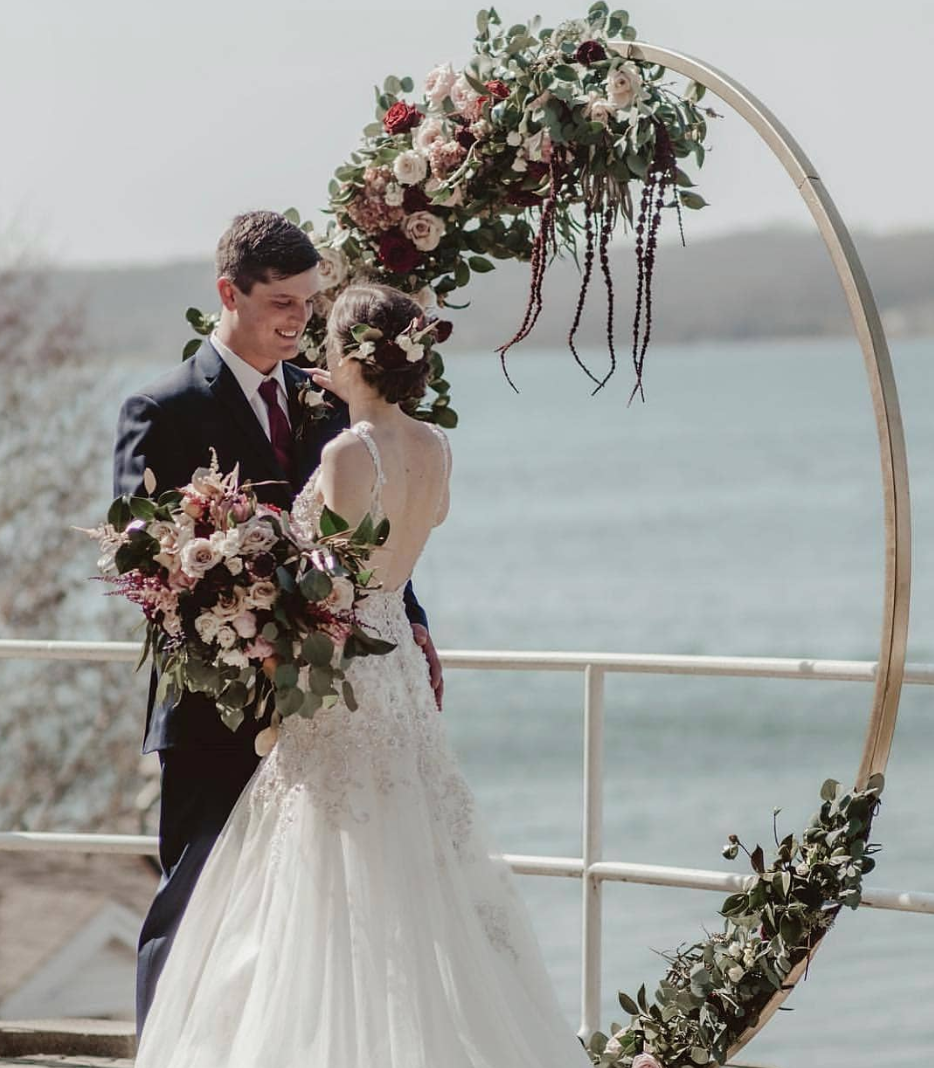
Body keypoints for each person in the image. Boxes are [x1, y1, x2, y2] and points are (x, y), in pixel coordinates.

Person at [133, 283, 591, 1067]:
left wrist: (258, 589)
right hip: (400, 668)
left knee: (328, 861)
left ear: (352, 355)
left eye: (328, 342)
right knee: (408, 849)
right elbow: (387, 562)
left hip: (345, 672)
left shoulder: (349, 454)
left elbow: (330, 586)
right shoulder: (435, 446)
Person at [112, 214, 442, 1034]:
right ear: (230, 293)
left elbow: (369, 550)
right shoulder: (165, 406)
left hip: (333, 703)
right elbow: (141, 561)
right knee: (192, 907)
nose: (298, 320)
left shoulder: (327, 405)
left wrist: (411, 632)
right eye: (281, 303)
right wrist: (243, 624)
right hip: (216, 704)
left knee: (314, 917)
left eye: (309, 305)